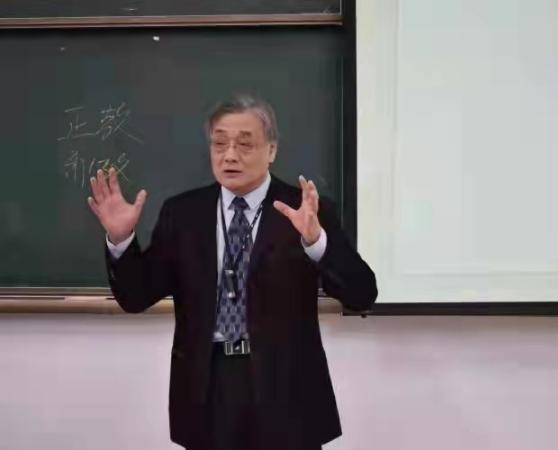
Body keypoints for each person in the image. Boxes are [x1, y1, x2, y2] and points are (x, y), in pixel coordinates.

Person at [87, 94, 378, 450]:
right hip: (208, 387)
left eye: (244, 144)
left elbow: (362, 294)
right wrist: (121, 240)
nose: (229, 155)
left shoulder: (305, 210)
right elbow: (136, 297)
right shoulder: (184, 214)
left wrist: (316, 242)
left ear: (271, 150)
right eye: (219, 143)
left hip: (287, 391)